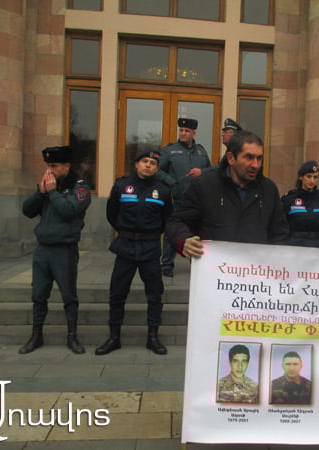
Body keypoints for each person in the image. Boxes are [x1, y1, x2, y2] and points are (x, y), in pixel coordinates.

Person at [95, 150, 172, 356]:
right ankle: (114, 338)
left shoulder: (163, 191)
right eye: (144, 161)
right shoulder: (121, 186)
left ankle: (153, 337)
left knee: (154, 295)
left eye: (153, 163)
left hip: (150, 249)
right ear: (136, 164)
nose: (148, 165)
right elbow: (112, 214)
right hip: (125, 247)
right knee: (117, 294)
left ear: (157, 168)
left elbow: (167, 219)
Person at [165, 130, 289, 257]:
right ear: (231, 158)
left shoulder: (268, 189)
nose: (255, 165)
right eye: (249, 157)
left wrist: (277, 258)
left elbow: (280, 233)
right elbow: (176, 222)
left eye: (259, 158)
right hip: (213, 266)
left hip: (256, 266)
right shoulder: (204, 186)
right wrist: (183, 240)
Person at [19, 146, 91, 355]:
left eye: (54, 166)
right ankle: (36, 335)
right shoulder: (48, 186)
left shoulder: (79, 187)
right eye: (48, 166)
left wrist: (52, 192)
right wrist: (41, 193)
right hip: (43, 249)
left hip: (64, 250)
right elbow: (27, 211)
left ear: (67, 166)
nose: (49, 170)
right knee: (38, 295)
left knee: (69, 296)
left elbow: (69, 210)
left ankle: (72, 336)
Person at [158, 118, 211, 277]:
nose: (182, 133)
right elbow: (158, 170)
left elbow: (209, 171)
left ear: (193, 133)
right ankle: (167, 264)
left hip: (198, 200)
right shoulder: (169, 151)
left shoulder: (201, 152)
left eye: (186, 131)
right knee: (173, 231)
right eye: (181, 130)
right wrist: (172, 183)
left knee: (196, 233)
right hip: (178, 199)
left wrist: (202, 173)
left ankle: (196, 263)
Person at [281, 160, 319, 248]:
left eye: (315, 177)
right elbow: (283, 224)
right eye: (309, 176)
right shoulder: (290, 198)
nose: (312, 181)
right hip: (295, 244)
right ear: (301, 177)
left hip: (317, 244)